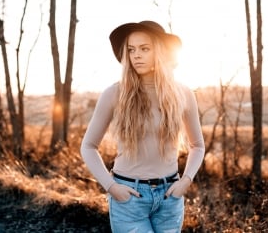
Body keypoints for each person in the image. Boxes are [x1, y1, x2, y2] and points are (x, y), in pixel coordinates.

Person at [80, 20, 205, 233]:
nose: (136, 55)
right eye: (131, 50)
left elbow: (198, 145)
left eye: (144, 49)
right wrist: (111, 187)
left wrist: (186, 181)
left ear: (161, 52)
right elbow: (88, 146)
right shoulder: (114, 94)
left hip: (170, 197)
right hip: (129, 198)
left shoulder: (182, 93)